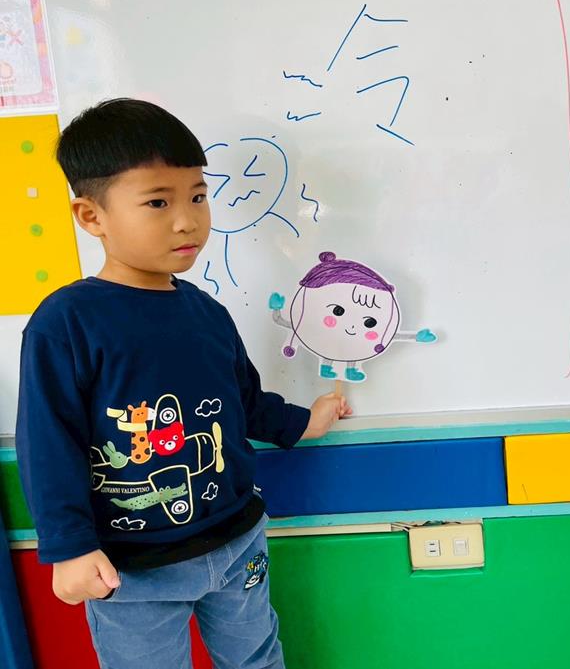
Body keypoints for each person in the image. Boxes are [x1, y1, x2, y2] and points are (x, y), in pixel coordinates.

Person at [16, 98, 351, 668]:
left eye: (197, 196)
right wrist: (69, 547)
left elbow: (244, 401)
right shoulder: (67, 322)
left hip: (236, 540)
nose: (186, 220)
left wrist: (305, 422)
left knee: (257, 658)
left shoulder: (205, 312)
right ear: (91, 216)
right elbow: (48, 444)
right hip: (133, 565)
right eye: (157, 202)